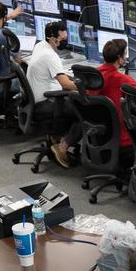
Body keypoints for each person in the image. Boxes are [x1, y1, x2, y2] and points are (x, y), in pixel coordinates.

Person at [25, 21, 80, 167]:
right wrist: (85, 87)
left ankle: (56, 137)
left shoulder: (40, 46)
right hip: (45, 102)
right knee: (84, 111)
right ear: (51, 38)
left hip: (35, 100)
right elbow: (66, 85)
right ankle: (62, 147)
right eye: (61, 40)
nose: (63, 43)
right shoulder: (50, 55)